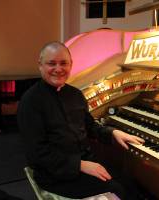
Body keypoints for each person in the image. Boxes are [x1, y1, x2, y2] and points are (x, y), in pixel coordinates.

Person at [17, 41, 144, 199]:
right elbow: (37, 154)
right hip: (55, 175)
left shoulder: (75, 94)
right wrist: (79, 165)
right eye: (52, 63)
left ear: (71, 65)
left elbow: (90, 126)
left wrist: (113, 133)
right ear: (40, 65)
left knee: (131, 183)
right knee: (117, 189)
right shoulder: (30, 101)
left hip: (85, 162)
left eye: (63, 63)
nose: (58, 69)